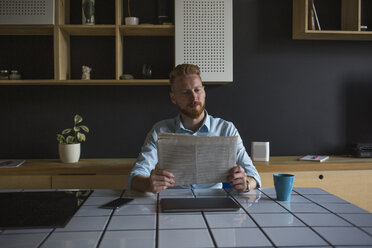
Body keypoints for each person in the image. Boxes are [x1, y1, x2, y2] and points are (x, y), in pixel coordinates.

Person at [127, 64, 261, 193]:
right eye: (185, 92)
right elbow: (134, 177)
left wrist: (246, 184)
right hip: (173, 202)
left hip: (214, 202)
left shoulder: (226, 129)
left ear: (204, 92)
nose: (194, 97)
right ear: (173, 98)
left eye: (197, 90)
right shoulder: (160, 130)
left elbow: (254, 176)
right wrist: (148, 184)